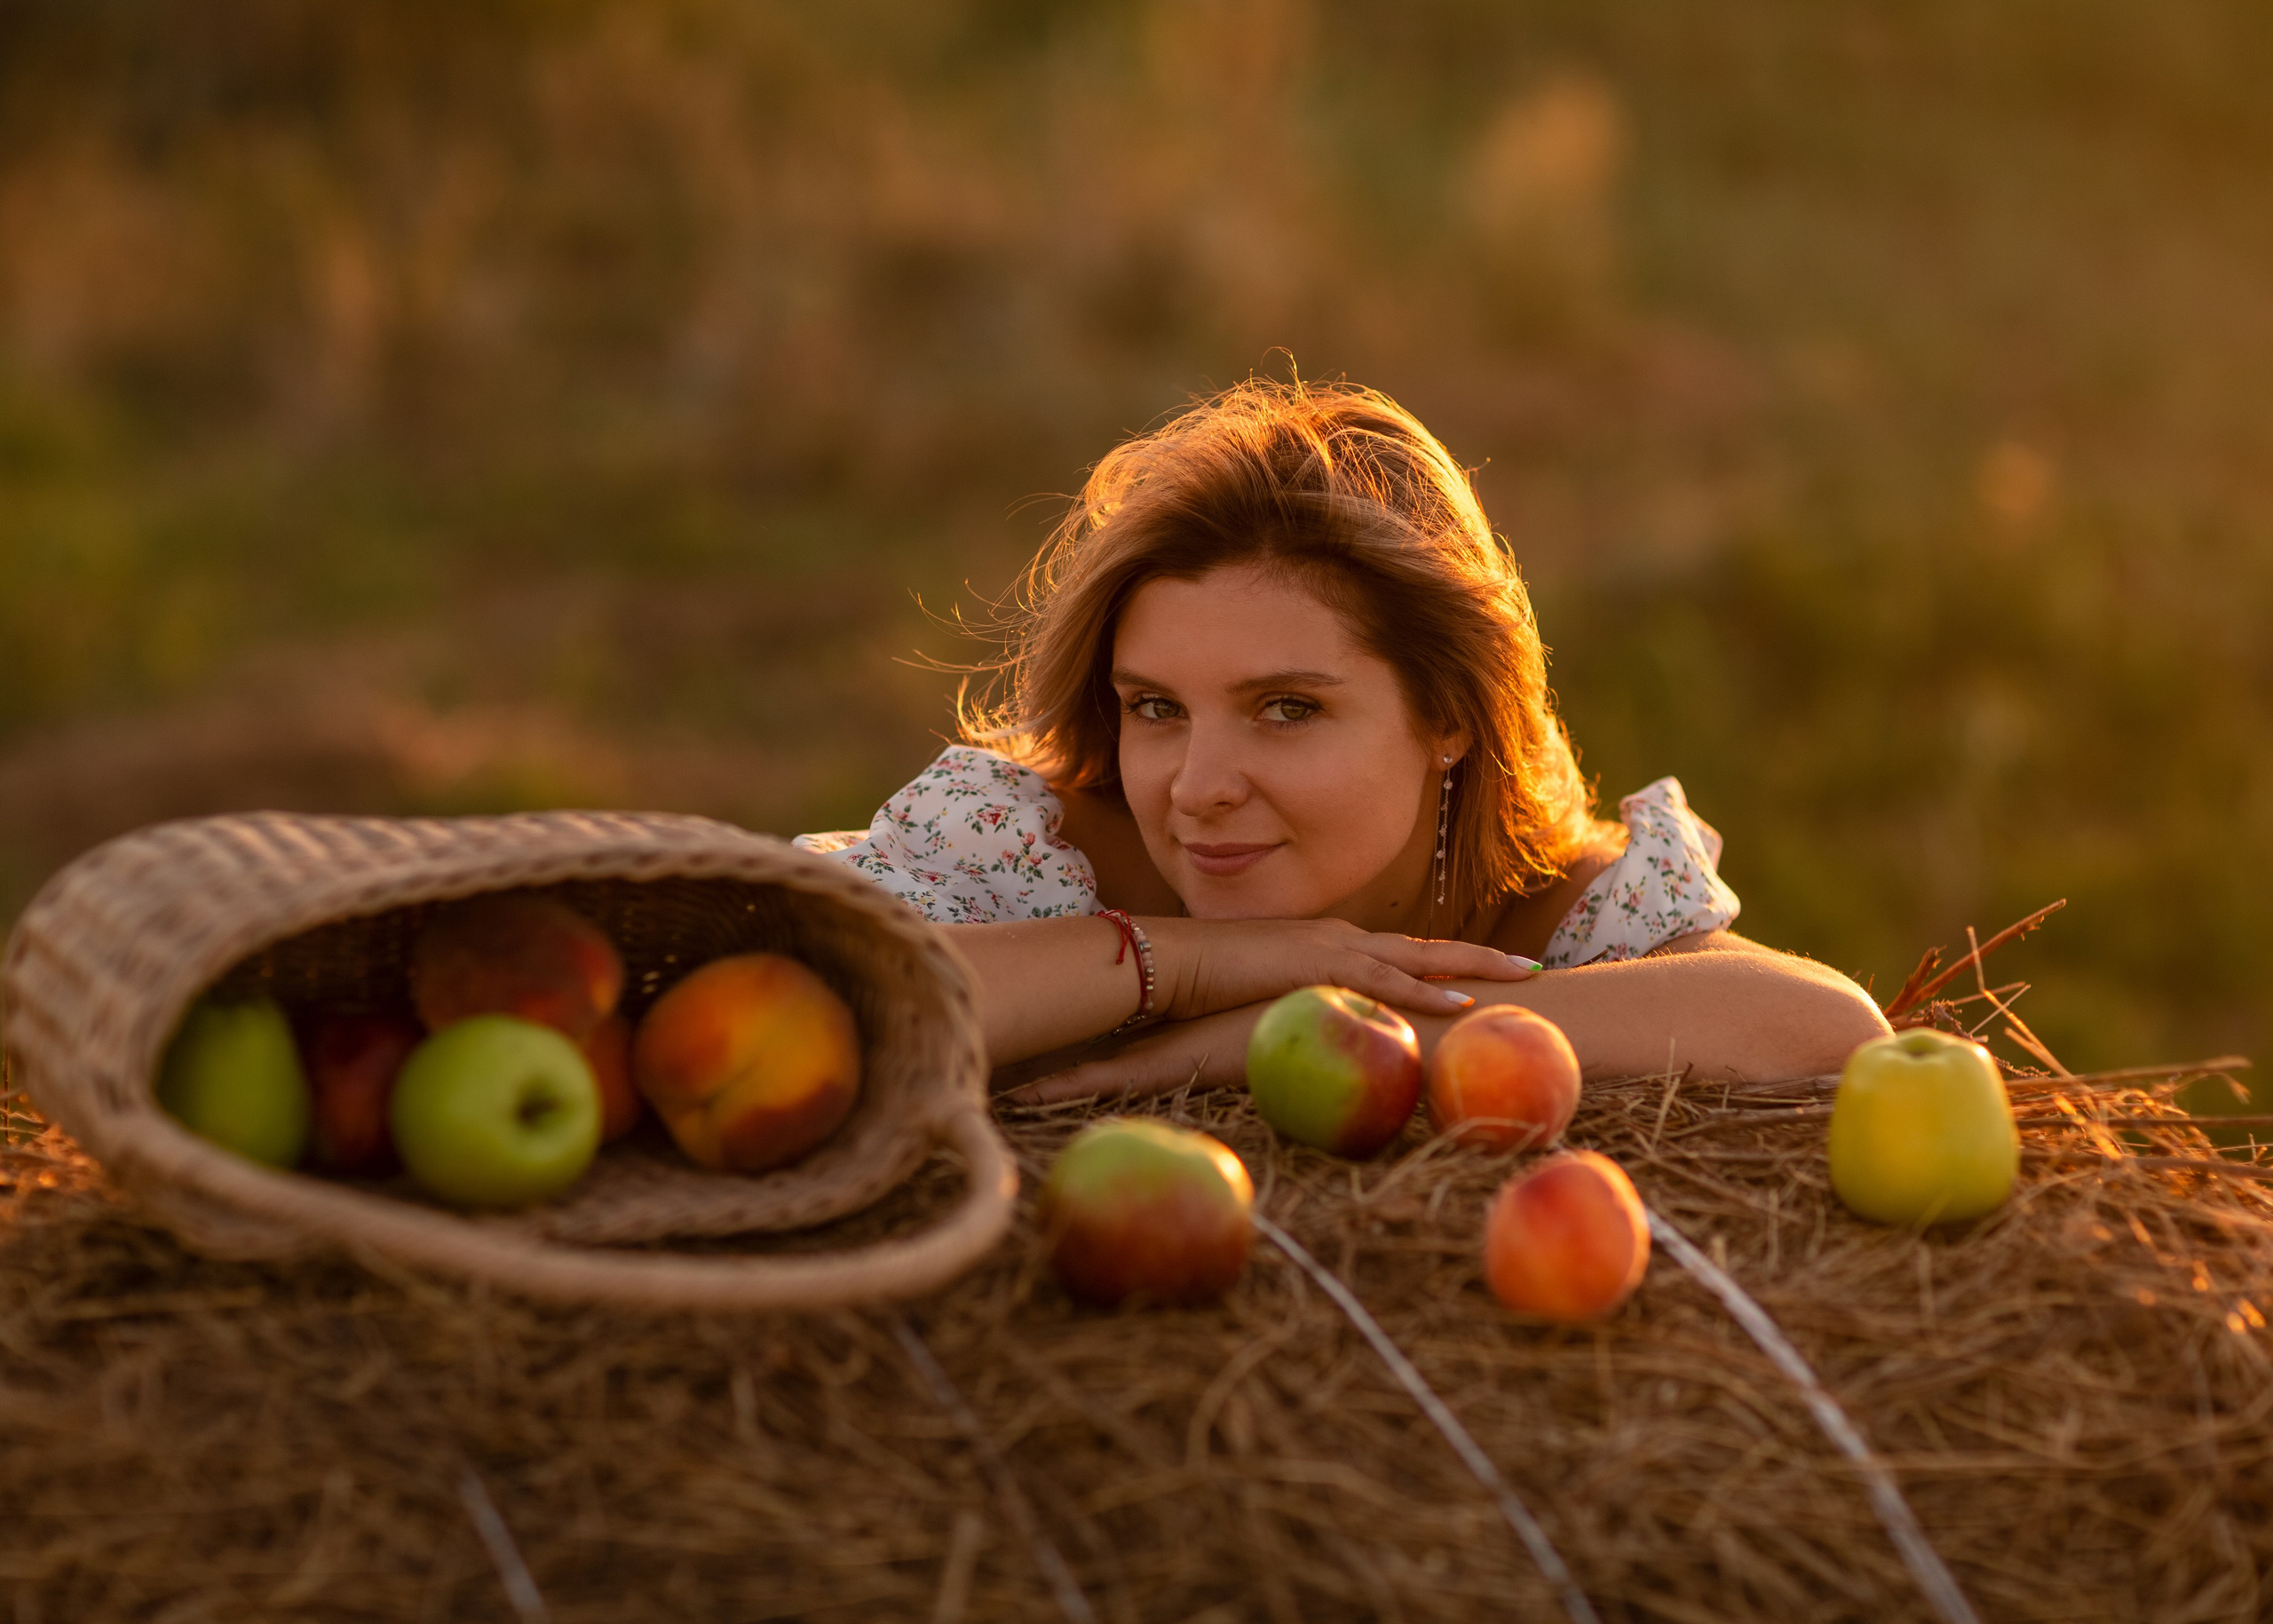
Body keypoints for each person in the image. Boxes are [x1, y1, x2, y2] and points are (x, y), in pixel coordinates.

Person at [797, 378, 1889, 1102]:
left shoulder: (1556, 909)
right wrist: (1184, 967)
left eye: (1287, 708)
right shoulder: (1031, 852)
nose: (1199, 789)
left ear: (1448, 716)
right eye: (1156, 707)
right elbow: (809, 1010)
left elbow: (1826, 1033)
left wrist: (1299, 1024)